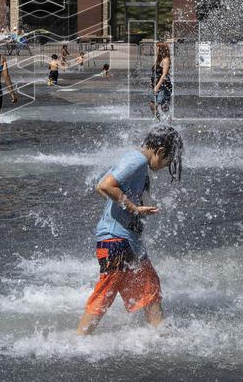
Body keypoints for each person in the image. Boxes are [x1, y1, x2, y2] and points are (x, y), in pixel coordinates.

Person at [76, 124, 184, 336]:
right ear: (160, 151)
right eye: (167, 161)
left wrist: (127, 208)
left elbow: (102, 188)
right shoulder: (138, 160)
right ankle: (79, 339)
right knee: (106, 290)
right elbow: (105, 185)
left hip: (128, 239)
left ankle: (160, 335)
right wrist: (133, 207)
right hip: (116, 239)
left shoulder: (135, 159)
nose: (164, 167)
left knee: (150, 283)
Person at [150, 42, 173, 120]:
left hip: (164, 86)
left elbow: (164, 74)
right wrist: (152, 83)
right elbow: (155, 73)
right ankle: (159, 121)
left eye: (156, 48)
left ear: (161, 49)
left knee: (163, 107)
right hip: (157, 85)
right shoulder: (159, 60)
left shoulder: (166, 60)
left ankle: (169, 122)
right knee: (152, 104)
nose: (155, 50)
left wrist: (157, 86)